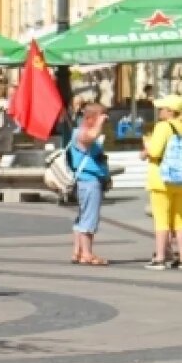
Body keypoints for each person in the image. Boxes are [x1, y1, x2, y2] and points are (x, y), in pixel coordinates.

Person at [141, 94, 182, 269]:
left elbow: (156, 152)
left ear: (170, 111)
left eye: (162, 108)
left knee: (161, 220)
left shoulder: (163, 126)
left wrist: (146, 149)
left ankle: (160, 258)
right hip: (181, 180)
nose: (159, 111)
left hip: (161, 180)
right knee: (180, 220)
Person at [67, 103, 110, 266]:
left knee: (83, 216)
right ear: (90, 118)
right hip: (89, 181)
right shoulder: (80, 133)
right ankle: (87, 254)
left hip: (90, 181)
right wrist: (99, 123)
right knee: (89, 218)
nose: (105, 121)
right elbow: (90, 137)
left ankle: (78, 251)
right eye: (101, 117)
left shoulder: (84, 132)